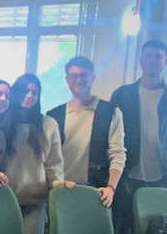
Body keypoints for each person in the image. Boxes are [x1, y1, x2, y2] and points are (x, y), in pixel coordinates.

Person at [111, 39, 167, 234]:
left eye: (158, 56)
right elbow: (110, 135)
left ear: (165, 61)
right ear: (141, 60)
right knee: (123, 232)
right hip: (128, 175)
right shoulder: (122, 95)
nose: (153, 60)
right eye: (148, 55)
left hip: (164, 176)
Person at [3, 74, 64, 234]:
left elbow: (54, 163)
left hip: (35, 201)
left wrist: (58, 185)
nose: (29, 96)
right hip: (2, 200)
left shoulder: (48, 124)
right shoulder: (3, 121)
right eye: (25, 91)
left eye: (34, 93)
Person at [46, 56, 125, 205]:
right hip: (61, 190)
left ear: (93, 78)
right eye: (73, 76)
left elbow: (117, 154)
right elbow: (48, 159)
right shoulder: (53, 116)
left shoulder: (110, 112)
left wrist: (111, 188)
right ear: (67, 79)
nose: (78, 80)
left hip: (97, 192)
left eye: (83, 75)